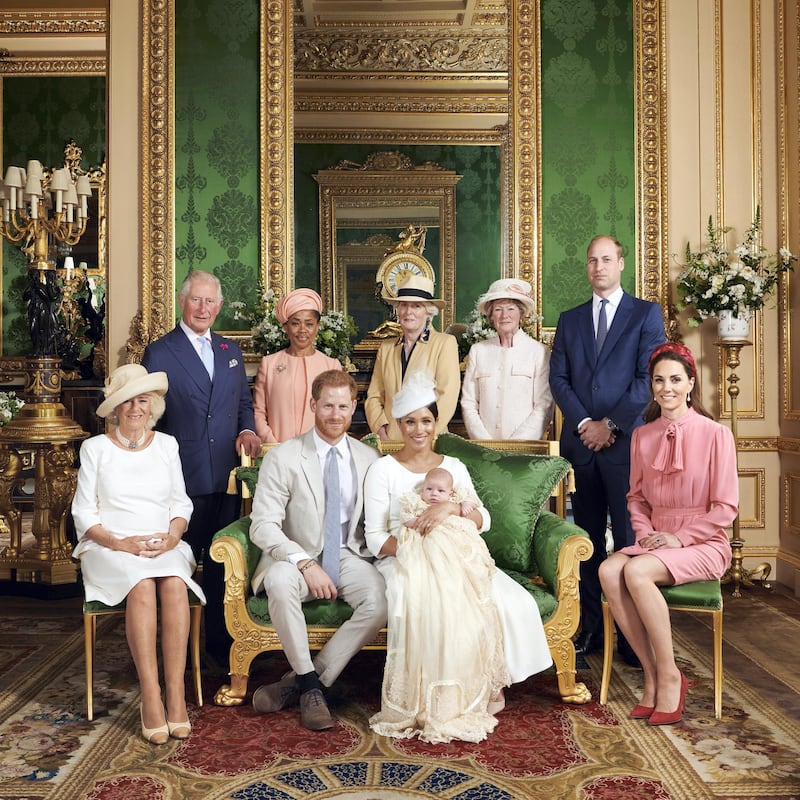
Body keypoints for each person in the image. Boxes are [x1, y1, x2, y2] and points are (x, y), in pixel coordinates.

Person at [364, 371, 552, 742]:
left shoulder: (453, 467)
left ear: (437, 424)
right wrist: (422, 553)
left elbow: (483, 519)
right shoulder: (381, 469)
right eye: (411, 422)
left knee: (506, 599)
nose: (419, 429)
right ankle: (434, 698)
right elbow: (374, 538)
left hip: (460, 555)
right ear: (400, 425)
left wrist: (449, 510)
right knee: (430, 601)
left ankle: (483, 684)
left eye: (427, 421)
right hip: (404, 558)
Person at [599, 343, 738, 725]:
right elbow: (636, 498)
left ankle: (671, 674)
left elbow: (726, 507)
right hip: (655, 540)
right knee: (609, 570)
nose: (667, 388)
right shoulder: (643, 436)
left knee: (637, 571)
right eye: (659, 380)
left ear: (691, 383)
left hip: (703, 542)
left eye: (675, 379)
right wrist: (645, 533)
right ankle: (652, 674)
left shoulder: (716, 435)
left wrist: (680, 538)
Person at [72, 364, 204, 745]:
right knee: (142, 585)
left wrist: (172, 536)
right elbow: (84, 513)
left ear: (153, 406)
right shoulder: (94, 449)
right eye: (126, 401)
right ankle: (151, 695)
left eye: (142, 400)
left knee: (175, 585)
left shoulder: (167, 445)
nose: (135, 408)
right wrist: (120, 544)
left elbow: (180, 503)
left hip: (163, 542)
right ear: (114, 408)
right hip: (109, 545)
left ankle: (175, 695)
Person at [549, 235, 666, 667]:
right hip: (583, 447)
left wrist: (610, 425)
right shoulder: (570, 319)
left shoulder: (645, 314)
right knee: (586, 539)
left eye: (606, 259)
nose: (598, 266)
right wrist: (584, 425)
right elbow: (558, 378)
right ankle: (590, 630)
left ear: (621, 264)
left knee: (633, 539)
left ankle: (636, 637)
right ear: (587, 267)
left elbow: (646, 377)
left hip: (626, 445)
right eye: (592, 260)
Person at [248, 370, 386, 731]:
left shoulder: (369, 457)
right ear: (313, 405)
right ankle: (311, 688)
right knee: (278, 579)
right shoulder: (285, 456)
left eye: (343, 406)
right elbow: (262, 525)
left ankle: (305, 682)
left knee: (380, 600)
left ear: (354, 407)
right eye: (327, 405)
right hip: (296, 556)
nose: (335, 414)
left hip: (348, 554)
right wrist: (304, 562)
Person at [141, 270, 262, 665]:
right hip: (182, 477)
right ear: (182, 301)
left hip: (225, 476)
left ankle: (222, 645)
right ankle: (180, 650)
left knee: (223, 563)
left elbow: (243, 402)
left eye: (211, 302)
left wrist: (247, 429)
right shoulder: (159, 352)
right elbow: (149, 418)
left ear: (220, 306)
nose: (204, 308)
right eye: (197, 300)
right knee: (182, 563)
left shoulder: (230, 350)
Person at [364, 275, 460, 441]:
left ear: (428, 311)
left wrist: (425, 434)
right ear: (397, 310)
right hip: (391, 440)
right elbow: (374, 395)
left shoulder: (444, 343)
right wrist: (381, 429)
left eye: (416, 306)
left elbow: (447, 395)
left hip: (429, 441)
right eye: (403, 305)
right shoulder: (386, 348)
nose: (408, 312)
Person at [461, 278, 554, 440]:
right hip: (484, 449)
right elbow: (468, 403)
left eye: (511, 309)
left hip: (525, 448)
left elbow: (544, 405)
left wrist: (518, 444)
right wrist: (485, 443)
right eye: (498, 309)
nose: (504, 315)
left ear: (521, 314)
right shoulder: (478, 351)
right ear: (491, 316)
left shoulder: (538, 352)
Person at [252, 288, 342, 443]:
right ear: (286, 326)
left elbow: (338, 413)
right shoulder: (269, 364)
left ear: (317, 326)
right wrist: (273, 445)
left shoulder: (331, 366)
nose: (302, 330)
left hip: (319, 452)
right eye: (295, 323)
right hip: (277, 452)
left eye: (309, 324)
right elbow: (258, 411)